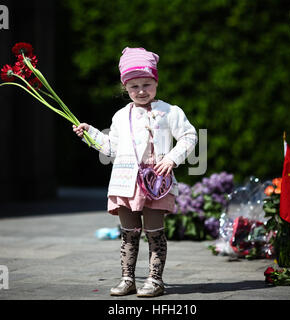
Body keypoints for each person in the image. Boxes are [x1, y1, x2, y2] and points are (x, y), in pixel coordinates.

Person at [73, 47, 197, 297]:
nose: (141, 91)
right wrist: (91, 134)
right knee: (128, 233)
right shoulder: (120, 116)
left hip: (156, 182)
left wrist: (172, 158)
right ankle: (127, 279)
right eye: (134, 86)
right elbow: (111, 147)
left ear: (156, 82)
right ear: (125, 88)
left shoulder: (170, 112)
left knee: (154, 231)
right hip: (126, 181)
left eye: (147, 84)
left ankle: (155, 280)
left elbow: (189, 136)